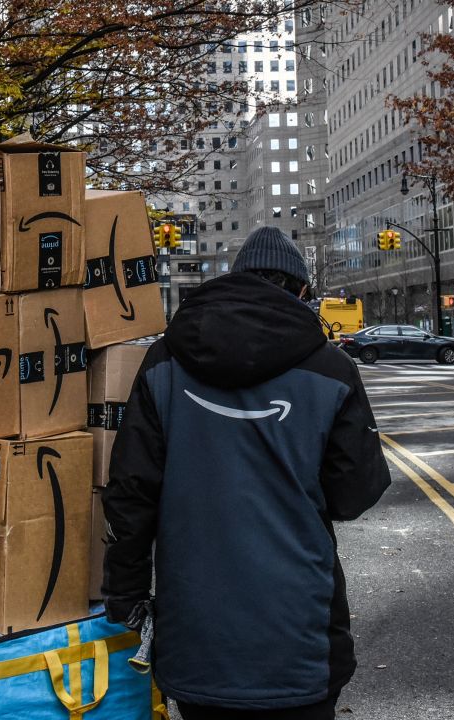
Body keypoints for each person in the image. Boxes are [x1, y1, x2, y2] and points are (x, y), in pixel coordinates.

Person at [102, 226, 391, 719]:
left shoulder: (164, 362)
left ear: (236, 282)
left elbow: (131, 492)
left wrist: (125, 592)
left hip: (195, 629)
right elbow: (353, 493)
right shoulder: (330, 369)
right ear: (301, 291)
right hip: (299, 628)